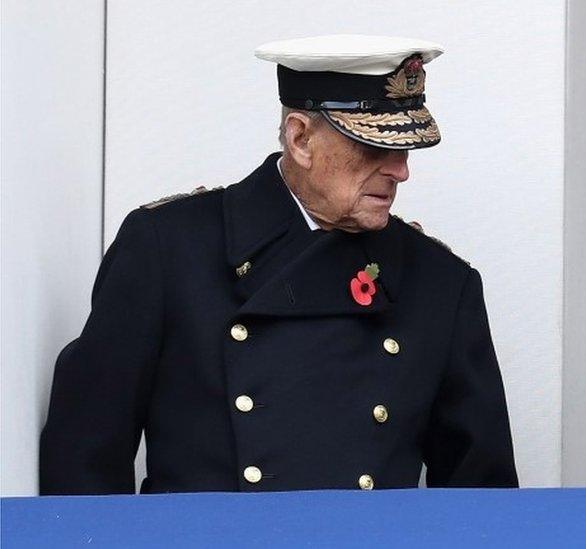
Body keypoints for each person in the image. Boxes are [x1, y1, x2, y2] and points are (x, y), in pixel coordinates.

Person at [40, 35, 518, 494]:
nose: (400, 170)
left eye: (404, 149)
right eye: (375, 147)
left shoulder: (441, 282)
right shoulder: (168, 249)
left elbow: (481, 496)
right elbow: (85, 460)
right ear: (300, 139)